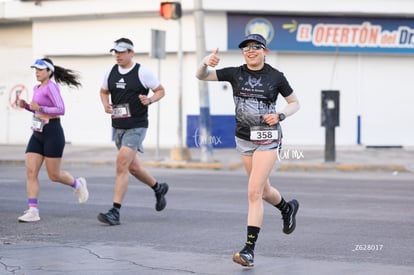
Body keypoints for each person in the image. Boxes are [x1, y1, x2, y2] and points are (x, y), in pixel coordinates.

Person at [196, 33, 300, 267]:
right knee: (263, 190)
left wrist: (281, 115)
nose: (250, 51)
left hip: (268, 138)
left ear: (265, 51)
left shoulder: (276, 77)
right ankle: (287, 207)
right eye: (246, 48)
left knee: (253, 192)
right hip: (244, 138)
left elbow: (295, 102)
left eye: (256, 47)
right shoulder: (235, 73)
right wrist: (204, 62)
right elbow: (201, 76)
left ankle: (248, 250)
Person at [97, 38, 168, 226]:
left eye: (121, 52)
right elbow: (103, 91)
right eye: (115, 52)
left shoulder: (142, 72)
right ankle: (158, 187)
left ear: (131, 52)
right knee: (133, 168)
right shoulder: (110, 72)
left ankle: (115, 211)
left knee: (121, 165)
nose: (117, 55)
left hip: (137, 126)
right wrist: (105, 105)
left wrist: (150, 100)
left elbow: (161, 90)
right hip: (118, 126)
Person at [17, 58, 89, 223]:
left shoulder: (51, 87)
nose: (37, 72)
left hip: (53, 132)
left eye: (40, 69)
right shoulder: (37, 87)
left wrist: (40, 108)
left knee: (54, 175)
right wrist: (26, 106)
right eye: (35, 69)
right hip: (37, 133)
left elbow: (61, 109)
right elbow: (37, 109)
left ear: (49, 71)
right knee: (30, 171)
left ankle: (78, 184)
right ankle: (33, 210)